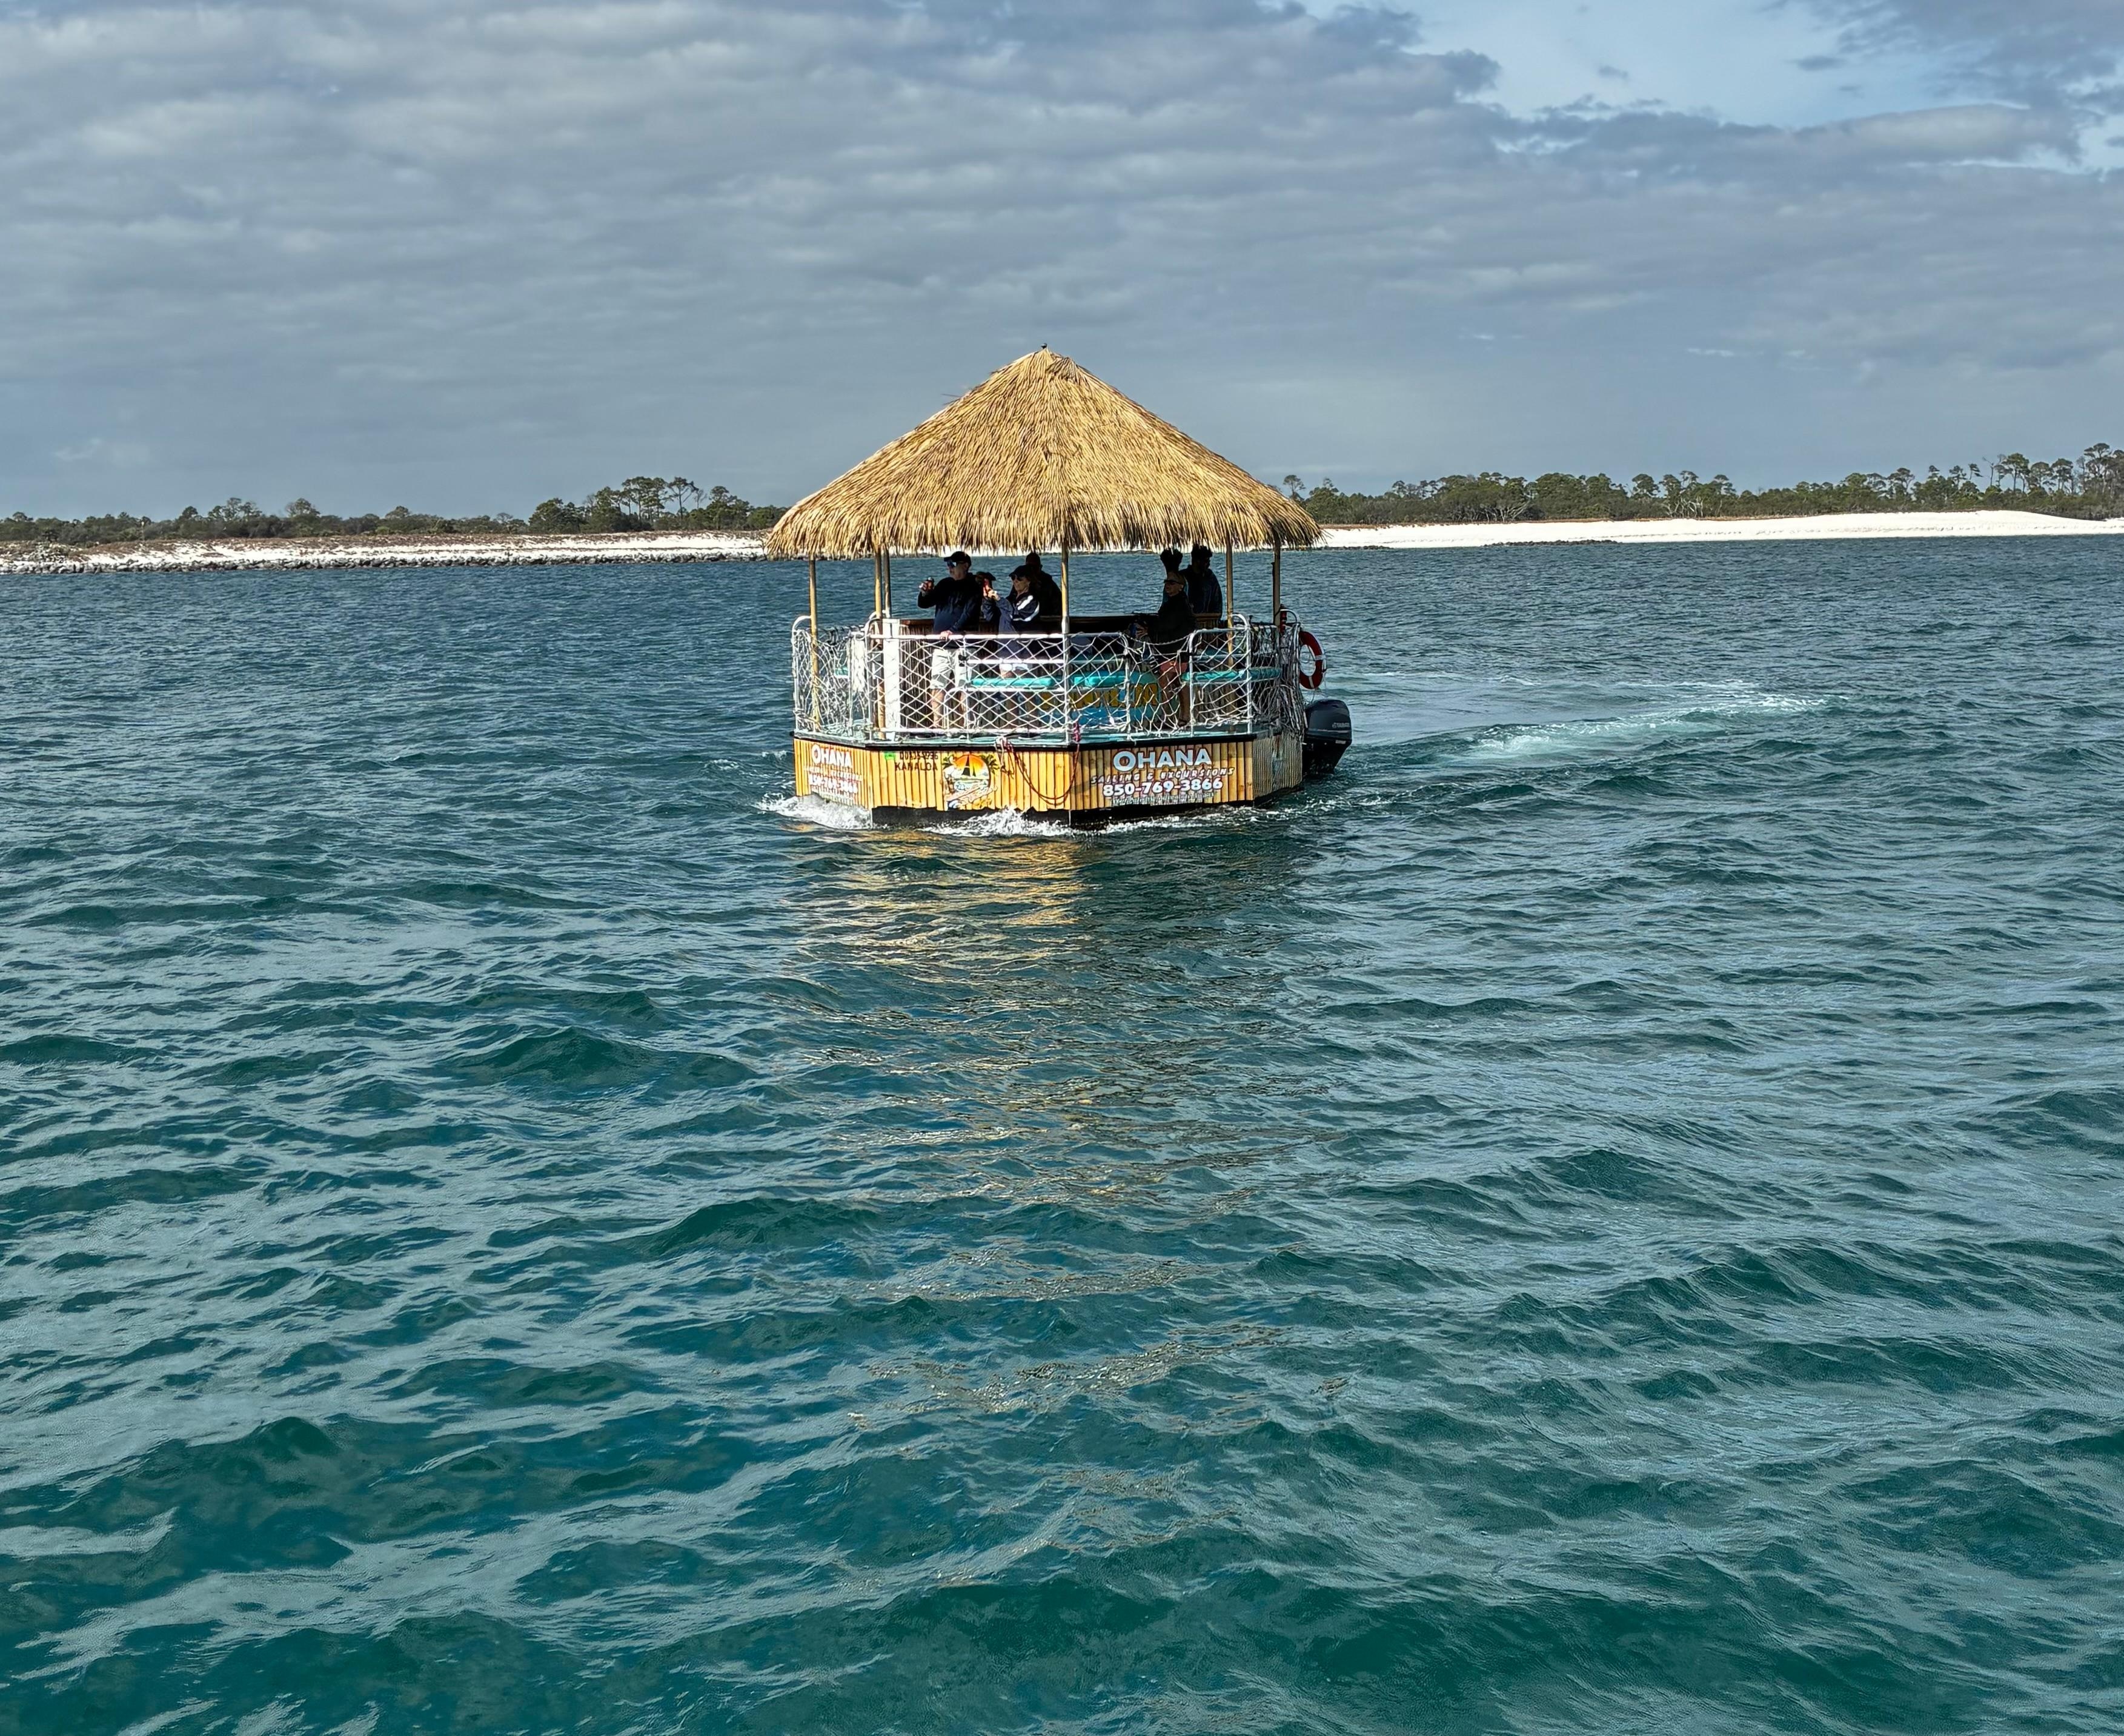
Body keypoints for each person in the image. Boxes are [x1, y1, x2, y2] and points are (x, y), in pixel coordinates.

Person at [915, 551, 993, 727]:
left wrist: (953, 630)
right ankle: (937, 725)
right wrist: (925, 593)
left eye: (953, 564)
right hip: (941, 645)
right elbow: (924, 604)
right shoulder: (945, 584)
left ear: (965, 565)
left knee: (965, 686)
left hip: (964, 645)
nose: (949, 568)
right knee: (937, 685)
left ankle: (969, 726)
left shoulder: (974, 586)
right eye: (948, 565)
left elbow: (970, 611)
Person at [1015, 552, 1063, 624]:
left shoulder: (1048, 583)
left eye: (1035, 567)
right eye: (1029, 567)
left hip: (1045, 621)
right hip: (1025, 621)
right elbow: (1012, 601)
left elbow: (1059, 604)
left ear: (1040, 567)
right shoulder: (1021, 582)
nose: (1032, 570)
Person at [1184, 544, 1222, 617]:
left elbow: (1217, 604)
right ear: (1197, 561)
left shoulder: (1210, 578)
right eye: (1206, 561)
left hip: (1208, 621)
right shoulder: (1183, 577)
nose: (1209, 564)